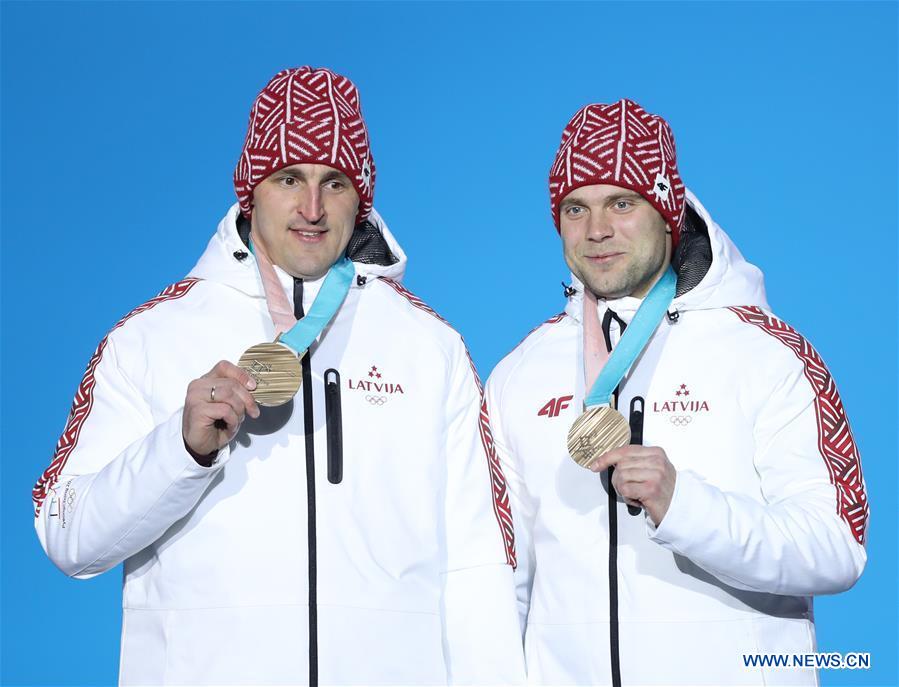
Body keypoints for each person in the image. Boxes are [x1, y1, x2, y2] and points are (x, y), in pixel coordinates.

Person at [33, 67, 524, 686]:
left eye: (335, 183)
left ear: (361, 195)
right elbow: (66, 534)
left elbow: (476, 566)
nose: (312, 208)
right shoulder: (150, 337)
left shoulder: (432, 348)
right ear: (252, 187)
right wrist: (178, 451)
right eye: (290, 178)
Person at [485, 99, 868, 686]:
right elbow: (502, 581)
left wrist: (686, 505)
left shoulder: (767, 352)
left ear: (667, 209)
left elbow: (837, 547)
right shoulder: (518, 374)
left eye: (622, 202)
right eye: (575, 208)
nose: (597, 230)